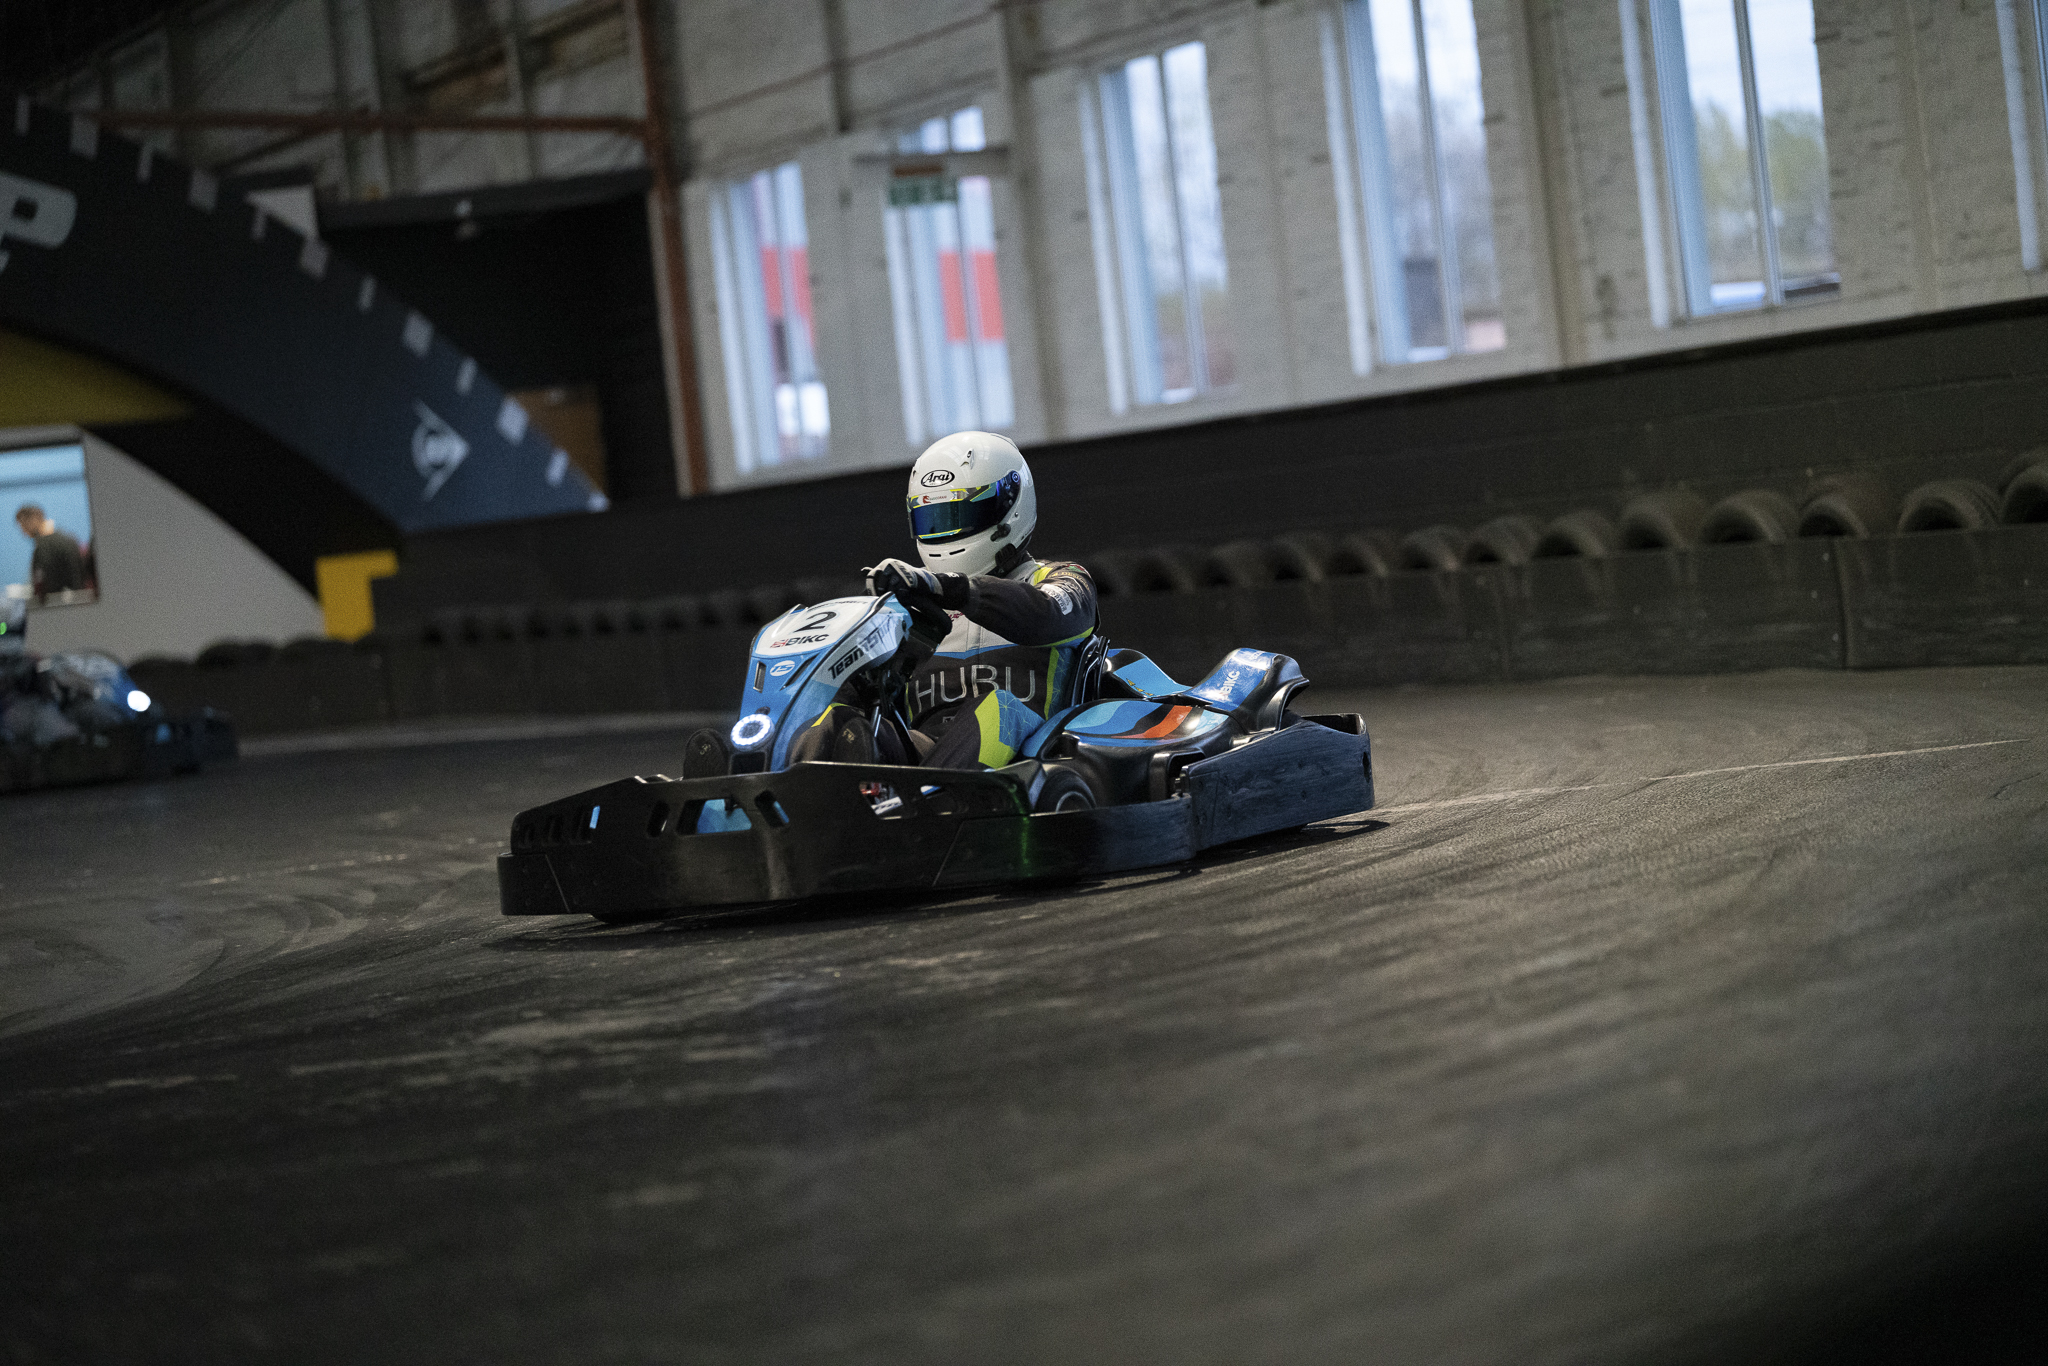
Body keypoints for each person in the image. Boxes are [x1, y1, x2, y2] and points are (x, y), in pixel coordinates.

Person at [689, 432, 1097, 776]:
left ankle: (934, 804)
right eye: (934, 519)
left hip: (1027, 751)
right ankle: (754, 782)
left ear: (1009, 506)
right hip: (921, 751)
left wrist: (948, 588)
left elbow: (1046, 615)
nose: (945, 533)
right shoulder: (909, 604)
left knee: (999, 708)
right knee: (836, 719)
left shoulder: (1062, 579)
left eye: (960, 515)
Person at [14, 504, 89, 602]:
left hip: (59, 604)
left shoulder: (44, 547)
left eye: (23, 526)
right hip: (79, 599)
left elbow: (47, 585)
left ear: (32, 522)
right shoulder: (68, 539)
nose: (24, 533)